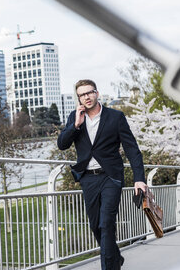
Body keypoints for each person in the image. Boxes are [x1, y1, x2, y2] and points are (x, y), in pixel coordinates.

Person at [57, 79, 147, 270]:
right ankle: (115, 257)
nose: (86, 97)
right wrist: (75, 125)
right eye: (82, 94)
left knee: (106, 224)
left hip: (110, 177)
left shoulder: (115, 117)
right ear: (79, 98)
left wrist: (139, 179)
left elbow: (132, 149)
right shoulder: (75, 116)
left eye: (89, 92)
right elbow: (62, 144)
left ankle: (109, 266)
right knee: (96, 225)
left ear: (97, 93)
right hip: (88, 178)